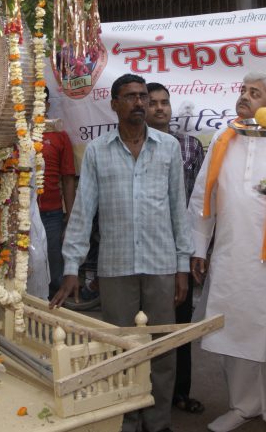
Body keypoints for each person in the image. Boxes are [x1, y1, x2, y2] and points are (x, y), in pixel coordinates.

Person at [52, 74, 192, 432]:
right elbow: (83, 212)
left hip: (161, 265)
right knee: (120, 348)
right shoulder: (98, 151)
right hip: (115, 268)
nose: (140, 103)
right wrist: (72, 267)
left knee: (161, 348)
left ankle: (158, 422)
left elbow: (179, 209)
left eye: (143, 96)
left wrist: (181, 267)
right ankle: (125, 421)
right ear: (114, 104)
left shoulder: (168, 147)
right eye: (130, 97)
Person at [188, 72, 266, 432]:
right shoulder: (224, 138)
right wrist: (199, 247)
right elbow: (203, 196)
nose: (244, 97)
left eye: (255, 93)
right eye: (243, 91)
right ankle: (242, 406)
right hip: (230, 258)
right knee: (235, 336)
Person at [146, 81, 207, 416]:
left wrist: (200, 250)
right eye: (153, 102)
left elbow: (200, 202)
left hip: (179, 248)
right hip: (144, 249)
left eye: (164, 102)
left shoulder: (191, 146)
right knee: (142, 323)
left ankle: (179, 392)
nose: (159, 108)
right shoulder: (135, 145)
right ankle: (143, 393)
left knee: (180, 323)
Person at [37, 100, 76, 298]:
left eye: (37, 100)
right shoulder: (15, 134)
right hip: (21, 212)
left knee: (53, 261)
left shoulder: (60, 136)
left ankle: (55, 308)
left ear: (46, 104)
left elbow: (68, 177)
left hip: (51, 213)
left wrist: (69, 215)